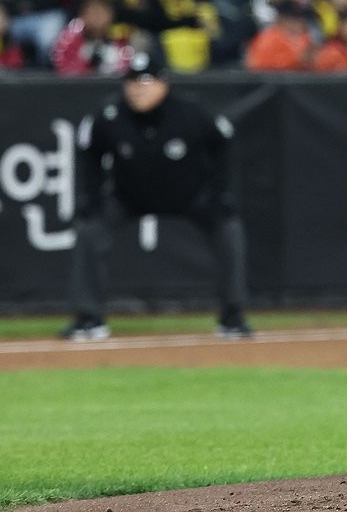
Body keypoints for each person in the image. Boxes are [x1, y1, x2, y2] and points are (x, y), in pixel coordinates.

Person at [60, 52, 253, 341]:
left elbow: (222, 144)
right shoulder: (111, 115)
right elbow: (89, 152)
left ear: (164, 84)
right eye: (133, 82)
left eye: (147, 82)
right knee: (90, 230)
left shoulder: (190, 111)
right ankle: (89, 318)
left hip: (189, 194)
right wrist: (92, 195)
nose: (139, 89)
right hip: (129, 195)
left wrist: (221, 192)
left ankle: (233, 316)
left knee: (229, 229)